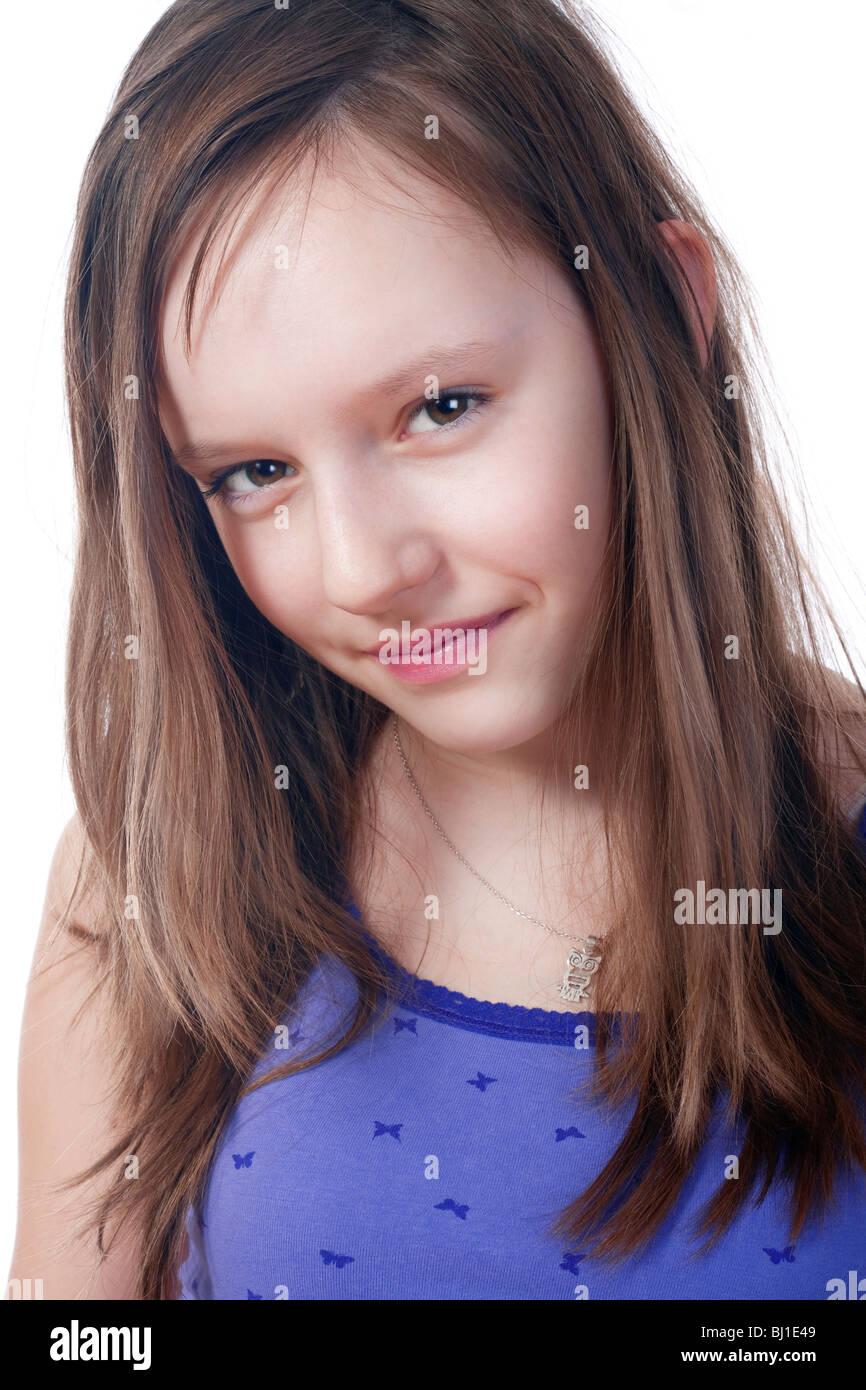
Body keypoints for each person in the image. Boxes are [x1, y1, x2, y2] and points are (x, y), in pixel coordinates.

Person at [9, 0, 866, 1301]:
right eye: (252, 472)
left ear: (664, 310)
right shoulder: (159, 887)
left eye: (439, 408)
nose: (361, 569)